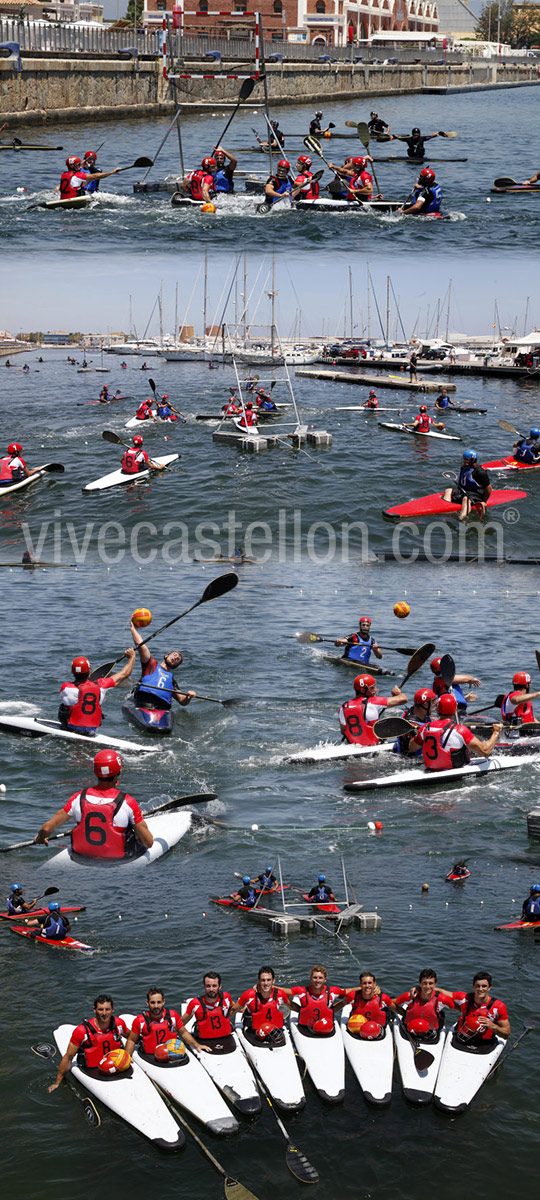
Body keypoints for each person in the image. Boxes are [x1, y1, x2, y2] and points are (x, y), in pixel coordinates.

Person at [34, 749, 154, 860]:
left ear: (95, 772)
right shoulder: (128, 802)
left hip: (82, 856)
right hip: (118, 859)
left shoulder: (78, 797)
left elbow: (46, 828)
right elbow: (148, 842)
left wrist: (40, 838)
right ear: (118, 773)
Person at [48, 995, 131, 1091]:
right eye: (100, 1009)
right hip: (93, 1070)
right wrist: (57, 1082)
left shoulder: (119, 1023)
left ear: (112, 1009)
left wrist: (128, 1055)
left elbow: (131, 1038)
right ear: (94, 1010)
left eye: (107, 1009)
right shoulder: (82, 1031)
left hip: (117, 1066)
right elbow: (68, 1058)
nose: (104, 1013)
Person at [409, 693, 502, 771]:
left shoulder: (425, 727)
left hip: (431, 769)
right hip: (453, 770)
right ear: (454, 709)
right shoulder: (460, 730)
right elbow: (485, 751)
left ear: (438, 709)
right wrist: (496, 732)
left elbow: (412, 748)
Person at [58, 651, 135, 736]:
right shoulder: (101, 686)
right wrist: (132, 657)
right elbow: (125, 674)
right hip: (90, 731)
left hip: (69, 728)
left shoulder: (65, 687)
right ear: (89, 672)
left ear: (73, 672)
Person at [125, 987, 212, 1058]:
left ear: (163, 1002)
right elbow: (132, 1040)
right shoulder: (140, 1021)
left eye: (159, 1002)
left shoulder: (173, 1016)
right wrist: (127, 1058)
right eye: (152, 1003)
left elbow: (183, 1033)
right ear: (147, 1003)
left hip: (173, 1054)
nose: (156, 1006)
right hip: (151, 1056)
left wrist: (197, 1045)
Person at [130, 617, 196, 712]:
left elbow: (182, 701)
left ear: (176, 666)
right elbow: (142, 646)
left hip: (161, 708)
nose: (175, 658)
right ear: (166, 655)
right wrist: (133, 628)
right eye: (174, 655)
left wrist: (189, 697)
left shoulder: (172, 681)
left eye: (178, 659)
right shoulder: (151, 665)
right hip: (142, 702)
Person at [439, 972, 510, 1044]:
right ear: (473, 986)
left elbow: (507, 1034)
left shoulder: (498, 1007)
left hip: (484, 1044)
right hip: (461, 1038)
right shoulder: (464, 998)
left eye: (484, 986)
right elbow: (441, 992)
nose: (480, 989)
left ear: (489, 988)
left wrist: (494, 1026)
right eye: (478, 986)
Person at [339, 674, 408, 746]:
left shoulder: (343, 707)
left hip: (353, 747)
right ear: (363, 690)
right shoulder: (374, 701)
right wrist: (398, 693)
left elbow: (343, 730)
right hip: (373, 746)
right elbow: (404, 699)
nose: (376, 689)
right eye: (372, 688)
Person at [285, 965, 349, 1034]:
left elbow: (349, 991)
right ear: (310, 979)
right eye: (315, 978)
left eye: (320, 978)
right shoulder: (301, 991)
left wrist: (362, 988)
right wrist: (271, 987)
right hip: (305, 1029)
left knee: (348, 998)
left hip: (327, 1030)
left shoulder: (332, 991)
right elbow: (282, 991)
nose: (317, 980)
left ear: (325, 979)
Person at [183, 972, 240, 1046]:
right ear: (204, 986)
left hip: (226, 1036)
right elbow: (180, 1025)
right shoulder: (195, 1003)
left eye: (214, 986)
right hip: (203, 1040)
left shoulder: (226, 997)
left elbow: (235, 1007)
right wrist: (195, 1044)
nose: (211, 989)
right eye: (208, 986)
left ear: (220, 986)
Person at [237, 966, 292, 1043]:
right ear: (258, 981)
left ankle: (246, 1009)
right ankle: (245, 1010)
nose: (266, 983)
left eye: (268, 980)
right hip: (253, 1032)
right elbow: (233, 1009)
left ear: (273, 981)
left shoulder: (280, 995)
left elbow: (292, 1006)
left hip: (274, 1031)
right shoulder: (248, 995)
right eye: (263, 980)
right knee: (251, 1009)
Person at [393, 968, 455, 1034]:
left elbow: (460, 1007)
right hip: (408, 1032)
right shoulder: (411, 997)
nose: (427, 986)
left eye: (430, 983)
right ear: (420, 983)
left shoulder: (442, 999)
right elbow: (389, 1002)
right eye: (424, 983)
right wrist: (402, 1013)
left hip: (431, 1035)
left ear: (435, 984)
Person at [442, 449, 492, 521]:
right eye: (464, 459)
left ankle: (462, 518)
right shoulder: (463, 467)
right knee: (448, 490)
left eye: (467, 460)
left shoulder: (480, 472)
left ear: (473, 460)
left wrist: (484, 501)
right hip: (464, 491)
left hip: (476, 494)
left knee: (466, 499)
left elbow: (489, 488)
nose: (465, 461)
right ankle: (446, 508)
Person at [393, 687, 436, 756]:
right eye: (433, 702)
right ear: (425, 704)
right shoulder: (410, 724)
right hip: (411, 761)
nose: (434, 706)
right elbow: (411, 747)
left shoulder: (415, 712)